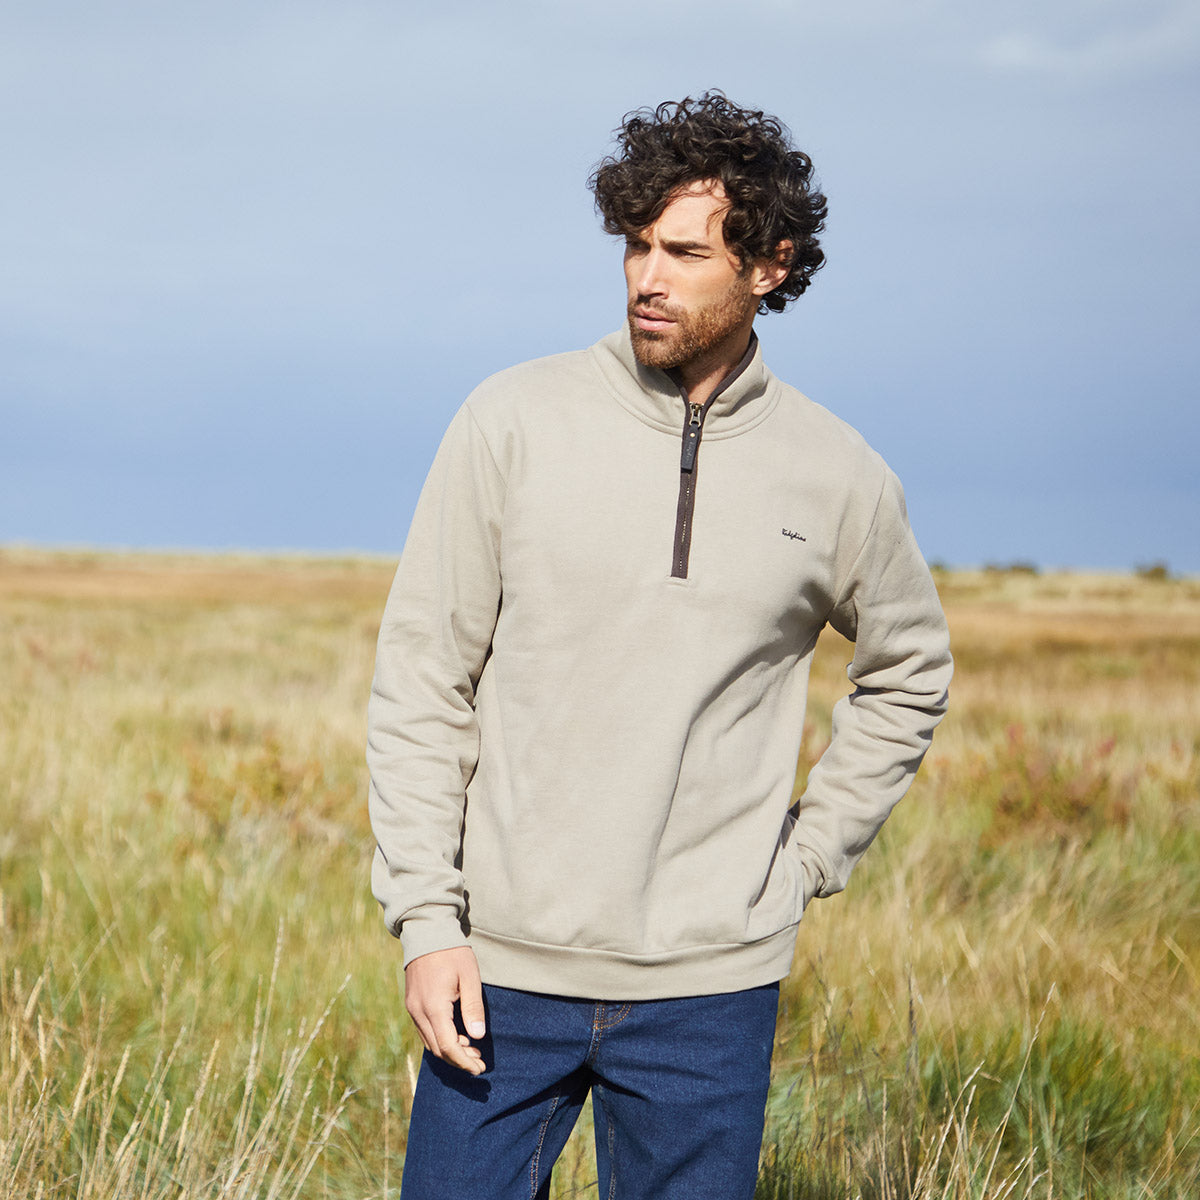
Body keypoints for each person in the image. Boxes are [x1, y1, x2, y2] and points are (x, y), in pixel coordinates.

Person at [367, 91, 952, 1200]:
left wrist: (812, 856)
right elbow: (421, 682)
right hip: (499, 969)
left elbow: (911, 669)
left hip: (710, 989)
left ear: (768, 266)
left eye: (684, 251)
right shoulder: (511, 423)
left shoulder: (837, 474)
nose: (648, 276)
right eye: (637, 245)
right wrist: (428, 923)